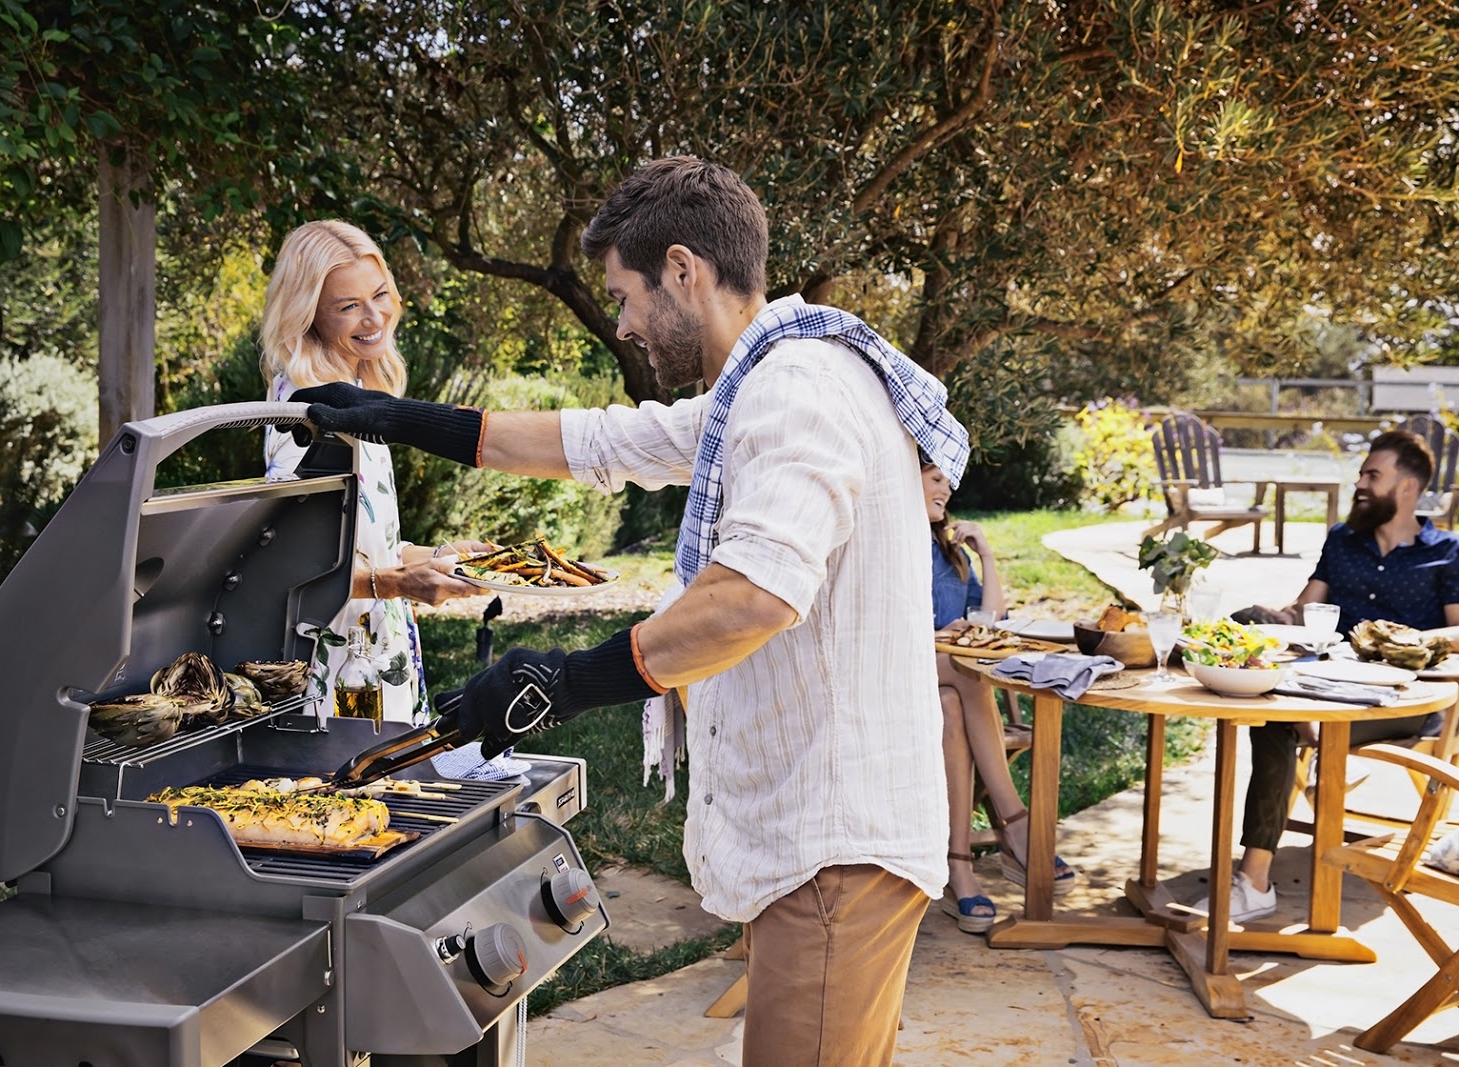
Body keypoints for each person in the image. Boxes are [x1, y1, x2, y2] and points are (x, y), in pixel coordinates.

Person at [288, 157, 970, 1066]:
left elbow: (753, 596)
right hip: (827, 843)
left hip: (834, 849)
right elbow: (604, 441)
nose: (621, 324)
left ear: (682, 270)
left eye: (624, 296)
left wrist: (560, 684)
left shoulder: (795, 391)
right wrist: (399, 416)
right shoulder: (764, 380)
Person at [1211, 428, 1459, 922]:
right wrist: (1276, 618)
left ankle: (1315, 751)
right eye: (1362, 473)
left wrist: (1398, 640)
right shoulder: (1342, 541)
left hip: (1395, 704)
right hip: (1323, 686)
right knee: (1250, 628)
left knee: (1283, 721)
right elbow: (1308, 606)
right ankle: (1257, 877)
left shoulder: (1446, 552)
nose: (1360, 483)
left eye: (1373, 474)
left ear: (1407, 488)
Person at [259, 220, 488, 724]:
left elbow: (368, 543)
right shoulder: (301, 412)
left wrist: (441, 557)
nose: (374, 316)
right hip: (334, 663)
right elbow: (287, 566)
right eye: (348, 306)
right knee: (350, 797)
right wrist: (398, 584)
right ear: (309, 316)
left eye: (380, 294)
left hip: (378, 649)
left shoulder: (354, 395)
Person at [924, 462, 1077, 933]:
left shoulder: (950, 551)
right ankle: (1016, 823)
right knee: (972, 674)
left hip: (946, 681)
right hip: (902, 666)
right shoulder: (889, 542)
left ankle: (959, 867)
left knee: (953, 705)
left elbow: (992, 619)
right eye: (934, 477)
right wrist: (936, 631)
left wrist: (985, 555)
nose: (945, 488)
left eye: (949, 481)